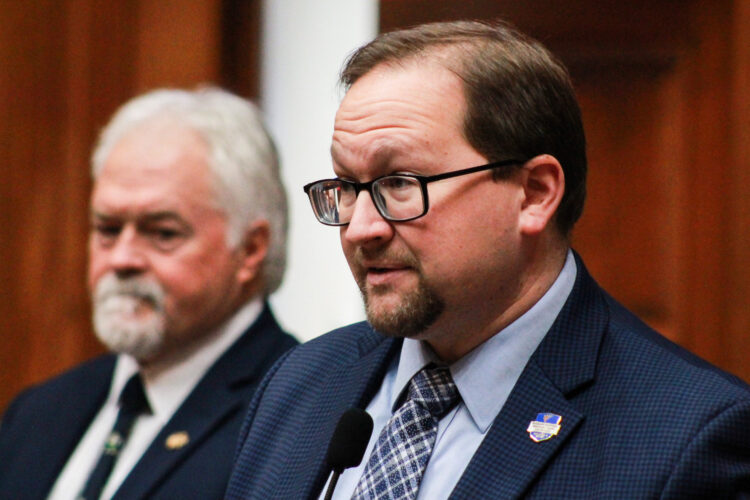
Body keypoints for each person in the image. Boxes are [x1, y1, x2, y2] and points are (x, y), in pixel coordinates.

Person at [226, 20, 750, 499]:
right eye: (346, 187)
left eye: (401, 184)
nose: (361, 228)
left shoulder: (688, 436)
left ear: (534, 194)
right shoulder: (300, 383)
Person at [0, 87, 298, 499]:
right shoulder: (38, 412)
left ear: (249, 250)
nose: (122, 259)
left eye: (162, 233)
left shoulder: (299, 414)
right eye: (107, 229)